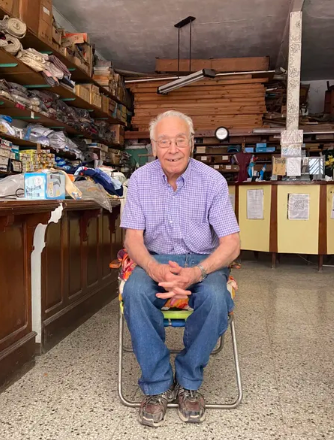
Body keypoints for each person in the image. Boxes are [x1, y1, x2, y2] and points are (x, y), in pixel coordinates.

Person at [120, 110, 241, 427]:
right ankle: (158, 384)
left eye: (179, 140)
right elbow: (133, 238)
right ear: (153, 146)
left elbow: (231, 244)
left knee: (215, 298)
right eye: (164, 142)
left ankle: (188, 381)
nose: (172, 149)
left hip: (204, 261)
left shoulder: (212, 181)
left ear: (191, 143)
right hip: (156, 257)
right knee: (134, 292)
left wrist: (196, 273)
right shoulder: (140, 180)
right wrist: (151, 267)